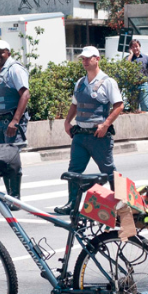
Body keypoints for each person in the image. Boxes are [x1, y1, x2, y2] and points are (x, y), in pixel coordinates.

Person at [55, 46, 124, 215]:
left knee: (108, 171)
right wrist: (67, 122)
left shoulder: (108, 82)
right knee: (73, 171)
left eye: (88, 58)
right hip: (80, 135)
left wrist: (106, 124)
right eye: (83, 59)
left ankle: (120, 204)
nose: (85, 61)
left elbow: (119, 105)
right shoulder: (80, 83)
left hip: (98, 136)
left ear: (97, 59)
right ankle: (72, 204)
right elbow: (75, 104)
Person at [0, 39, 31, 204]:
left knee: (12, 161)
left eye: (1, 52)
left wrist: (15, 120)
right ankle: (8, 197)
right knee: (3, 161)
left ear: (8, 53)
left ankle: (15, 199)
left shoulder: (14, 70)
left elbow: (25, 94)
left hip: (10, 122)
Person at [126, 40, 148, 112]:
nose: (135, 48)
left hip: (143, 84)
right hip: (132, 85)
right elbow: (125, 65)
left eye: (136, 46)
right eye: (133, 47)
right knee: (133, 107)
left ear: (140, 47)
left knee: (145, 105)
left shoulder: (146, 58)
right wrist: (131, 54)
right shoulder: (128, 58)